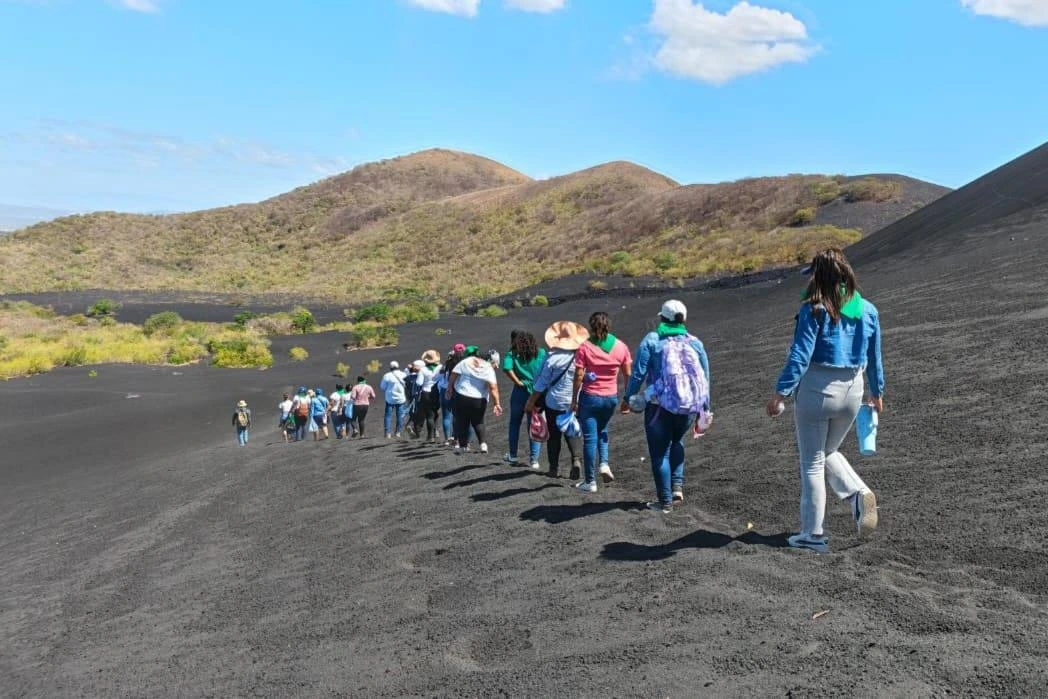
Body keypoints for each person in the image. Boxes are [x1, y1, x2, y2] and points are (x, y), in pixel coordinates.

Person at [767, 248, 883, 553]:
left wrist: (781, 392)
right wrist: (877, 392)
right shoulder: (868, 309)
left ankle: (812, 535)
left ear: (819, 275)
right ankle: (858, 493)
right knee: (828, 449)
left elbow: (800, 356)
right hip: (854, 390)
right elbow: (875, 355)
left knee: (812, 463)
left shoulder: (814, 308)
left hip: (818, 389)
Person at [624, 300, 711, 514]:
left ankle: (664, 502)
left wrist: (628, 397)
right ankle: (677, 488)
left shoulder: (652, 340)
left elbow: (638, 373)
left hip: (658, 407)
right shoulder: (695, 342)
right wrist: (705, 407)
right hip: (688, 407)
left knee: (659, 454)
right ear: (683, 319)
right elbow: (705, 376)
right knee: (677, 442)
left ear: (662, 317)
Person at [571, 312, 632, 493]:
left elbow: (579, 375)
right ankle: (604, 464)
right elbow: (628, 373)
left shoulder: (585, 347)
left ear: (590, 326)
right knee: (603, 430)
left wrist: (574, 399)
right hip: (610, 397)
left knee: (589, 438)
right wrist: (627, 398)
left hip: (590, 397)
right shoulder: (620, 346)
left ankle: (590, 481)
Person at [526, 321, 588, 480]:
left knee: (554, 435)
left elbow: (541, 382)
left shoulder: (552, 357)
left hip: (554, 401)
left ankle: (553, 468)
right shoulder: (581, 355)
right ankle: (576, 459)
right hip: (575, 399)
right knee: (571, 429)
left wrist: (531, 401)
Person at [502, 330, 547, 469]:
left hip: (520, 392)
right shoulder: (541, 352)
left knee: (514, 423)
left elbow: (506, 368)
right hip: (537, 391)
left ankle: (513, 455)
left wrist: (517, 381)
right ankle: (534, 460)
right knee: (534, 424)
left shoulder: (513, 354)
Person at [447, 351, 503, 455]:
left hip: (462, 395)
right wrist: (497, 403)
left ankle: (463, 446)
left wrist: (449, 387)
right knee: (478, 422)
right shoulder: (488, 368)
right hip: (479, 399)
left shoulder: (466, 361)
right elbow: (493, 387)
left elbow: (454, 374)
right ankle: (483, 444)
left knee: (462, 421)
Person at [414, 350, 443, 443]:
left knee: (429, 415)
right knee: (435, 413)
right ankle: (435, 432)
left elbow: (419, 382)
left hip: (426, 392)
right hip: (438, 392)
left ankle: (431, 436)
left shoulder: (423, 370)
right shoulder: (440, 368)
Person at [437, 347, 464, 445]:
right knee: (456, 415)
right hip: (456, 390)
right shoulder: (459, 366)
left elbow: (438, 377)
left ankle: (447, 438)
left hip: (444, 390)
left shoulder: (445, 365)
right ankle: (455, 437)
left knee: (446, 416)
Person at [380, 361, 408, 438]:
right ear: (398, 366)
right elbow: (406, 385)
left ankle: (387, 433)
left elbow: (382, 387)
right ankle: (398, 432)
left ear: (390, 367)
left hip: (390, 398)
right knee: (400, 416)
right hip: (401, 398)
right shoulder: (403, 374)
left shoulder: (387, 375)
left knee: (388, 416)